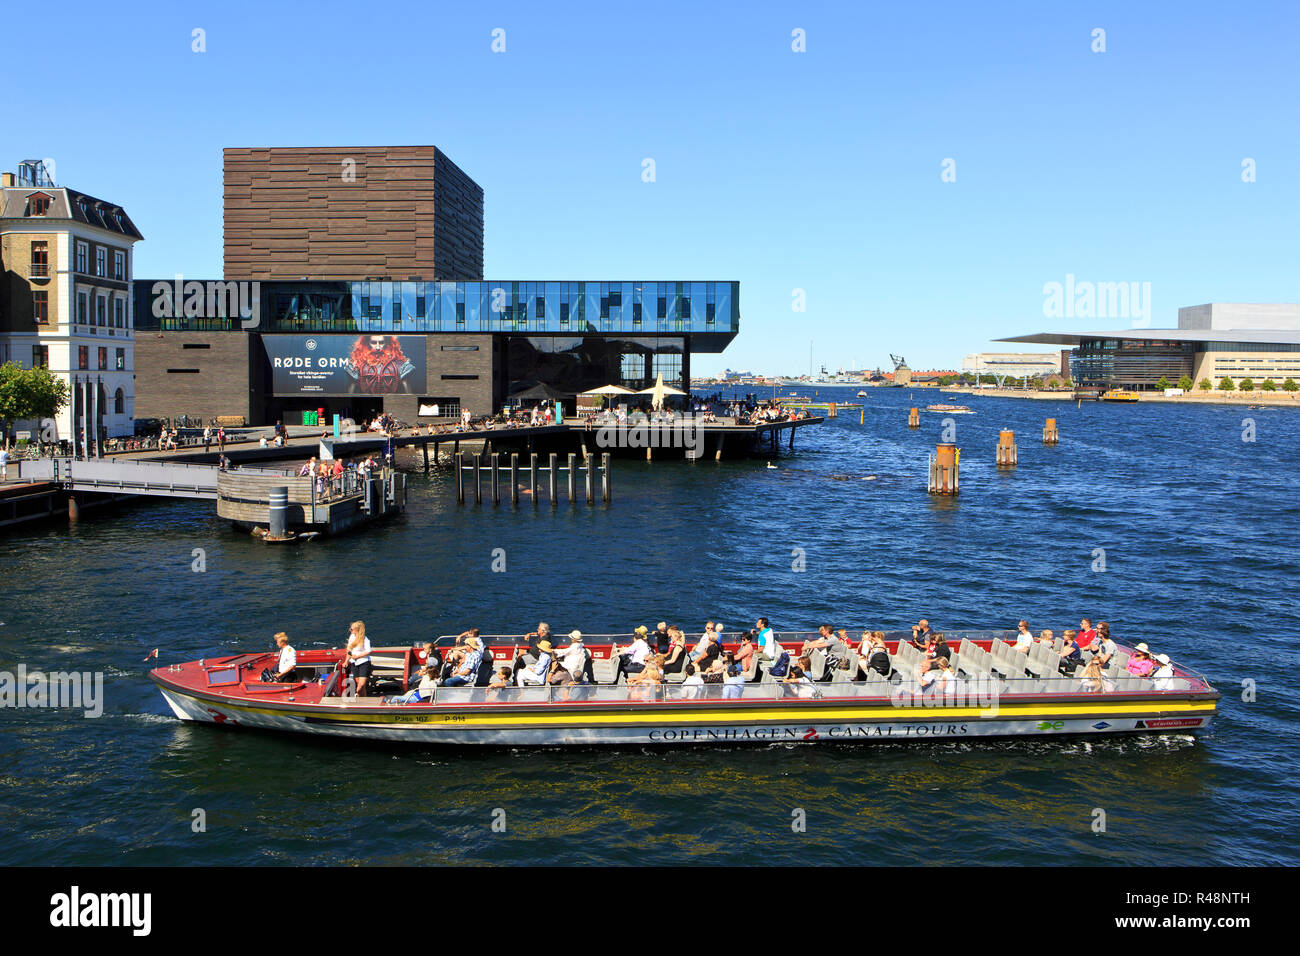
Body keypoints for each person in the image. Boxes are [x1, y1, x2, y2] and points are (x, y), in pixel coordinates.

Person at [345, 620, 372, 696]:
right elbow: (349, 650)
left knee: (360, 686)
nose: (350, 630)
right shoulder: (352, 637)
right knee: (359, 684)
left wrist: (357, 656)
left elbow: (368, 651)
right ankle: (364, 700)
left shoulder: (365, 639)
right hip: (354, 663)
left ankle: (358, 695)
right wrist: (346, 661)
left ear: (357, 630)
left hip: (364, 663)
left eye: (352, 629)